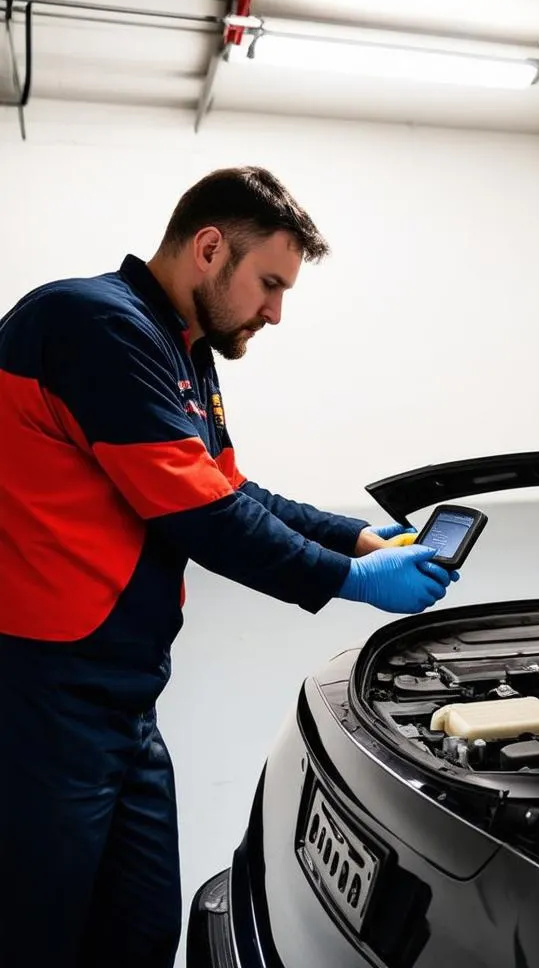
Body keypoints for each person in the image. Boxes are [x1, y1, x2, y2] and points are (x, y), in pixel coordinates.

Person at [0, 166, 458, 968]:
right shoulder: (93, 324)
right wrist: (349, 582)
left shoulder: (183, 348)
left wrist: (356, 540)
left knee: (139, 929)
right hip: (43, 692)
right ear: (210, 248)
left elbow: (228, 487)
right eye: (270, 284)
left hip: (124, 693)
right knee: (40, 931)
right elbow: (202, 516)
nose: (276, 312)